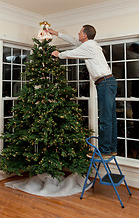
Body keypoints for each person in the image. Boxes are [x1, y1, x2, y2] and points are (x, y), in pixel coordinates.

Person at [49, 25, 117, 159]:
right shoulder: (90, 44)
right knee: (110, 118)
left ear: (85, 35)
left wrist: (59, 54)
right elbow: (74, 41)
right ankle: (111, 149)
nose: (78, 34)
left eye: (80, 32)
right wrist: (57, 33)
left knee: (105, 119)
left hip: (105, 83)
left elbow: (72, 53)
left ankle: (104, 150)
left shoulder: (89, 45)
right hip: (107, 82)